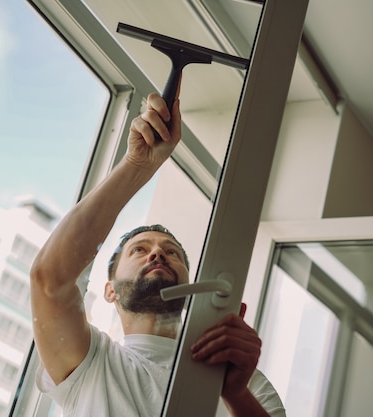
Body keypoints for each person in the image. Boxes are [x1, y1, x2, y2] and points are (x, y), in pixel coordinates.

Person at [30, 91, 286, 416]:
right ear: (109, 290)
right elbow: (49, 279)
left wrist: (235, 394)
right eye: (139, 249)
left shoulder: (248, 383)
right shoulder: (91, 362)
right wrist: (137, 165)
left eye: (171, 252)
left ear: (189, 285)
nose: (157, 255)